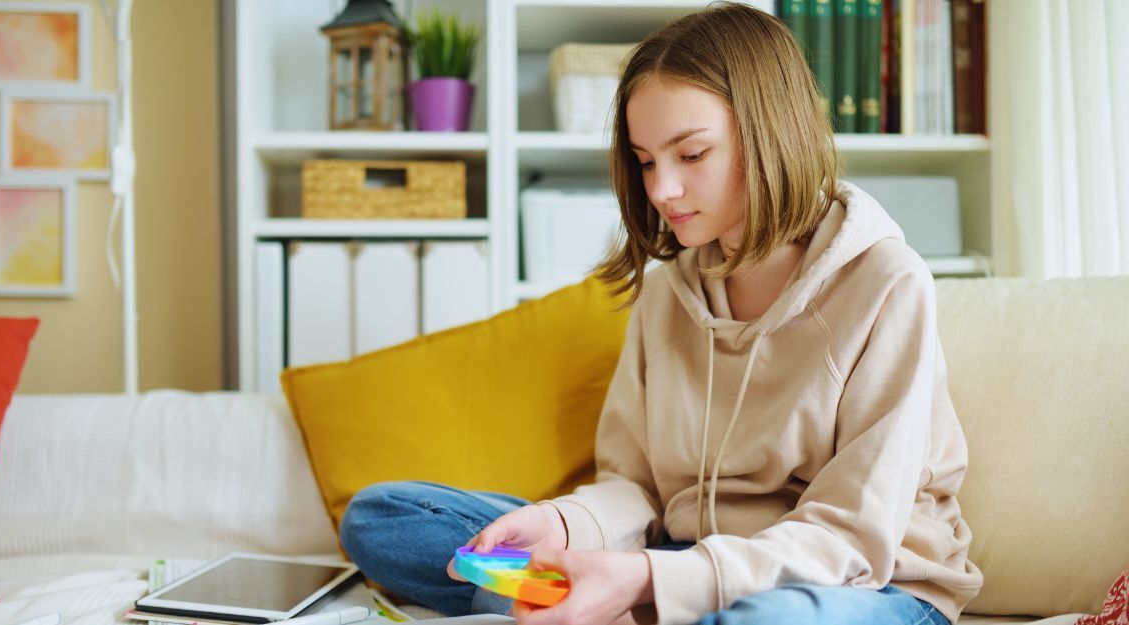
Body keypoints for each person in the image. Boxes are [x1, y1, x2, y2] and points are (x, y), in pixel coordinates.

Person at [338, 3, 983, 624]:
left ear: (771, 131)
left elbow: (852, 539)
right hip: (675, 563)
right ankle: (590, 603)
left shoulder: (888, 283)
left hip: (860, 589)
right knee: (387, 518)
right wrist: (563, 525)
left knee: (768, 619)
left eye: (691, 154)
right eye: (646, 161)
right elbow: (636, 487)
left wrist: (649, 581)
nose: (661, 189)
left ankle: (597, 606)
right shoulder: (666, 293)